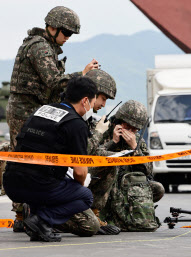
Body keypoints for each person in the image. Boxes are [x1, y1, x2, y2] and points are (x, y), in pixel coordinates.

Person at [7, 6, 99, 232]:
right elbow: (54, 81)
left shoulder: (45, 46)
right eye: (66, 33)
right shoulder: (40, 47)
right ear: (53, 27)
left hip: (34, 110)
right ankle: (23, 216)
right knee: (27, 163)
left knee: (40, 166)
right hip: (25, 111)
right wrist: (82, 76)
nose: (67, 38)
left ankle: (35, 213)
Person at [3, 77, 98, 242]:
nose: (93, 108)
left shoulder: (43, 110)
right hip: (38, 184)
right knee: (85, 196)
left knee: (49, 180)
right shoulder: (76, 124)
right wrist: (77, 187)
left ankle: (37, 222)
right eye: (93, 102)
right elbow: (80, 172)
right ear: (85, 101)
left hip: (12, 182)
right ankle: (42, 219)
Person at [54, 69, 120, 237]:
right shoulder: (73, 117)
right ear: (90, 95)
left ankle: (93, 214)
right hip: (61, 176)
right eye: (103, 98)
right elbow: (83, 152)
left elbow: (91, 151)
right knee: (89, 226)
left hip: (68, 173)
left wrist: (113, 144)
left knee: (111, 161)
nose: (104, 105)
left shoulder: (85, 117)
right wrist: (99, 132)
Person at [90, 100, 164, 230]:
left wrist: (135, 147)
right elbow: (92, 157)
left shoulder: (137, 141)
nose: (130, 132)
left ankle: (129, 215)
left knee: (157, 188)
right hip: (104, 185)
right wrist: (113, 142)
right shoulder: (103, 131)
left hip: (126, 186)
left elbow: (149, 171)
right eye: (127, 127)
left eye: (134, 129)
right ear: (118, 122)